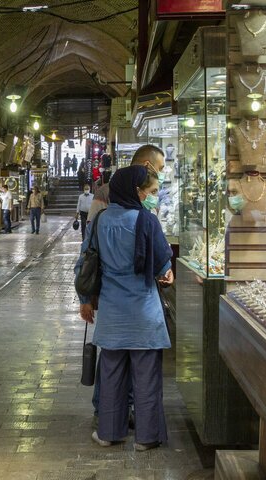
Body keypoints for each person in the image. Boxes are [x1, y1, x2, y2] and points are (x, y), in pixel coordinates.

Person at [74, 165, 174, 451]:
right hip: (144, 313)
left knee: (112, 377)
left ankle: (108, 433)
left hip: (112, 313)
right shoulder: (147, 221)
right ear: (136, 191)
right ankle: (147, 437)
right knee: (146, 378)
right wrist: (167, 272)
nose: (152, 197)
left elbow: (84, 264)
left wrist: (85, 301)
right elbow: (163, 267)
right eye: (150, 192)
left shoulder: (100, 221)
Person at [87, 145, 166, 223]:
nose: (162, 173)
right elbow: (91, 228)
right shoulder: (105, 192)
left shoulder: (152, 194)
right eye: (160, 168)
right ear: (146, 165)